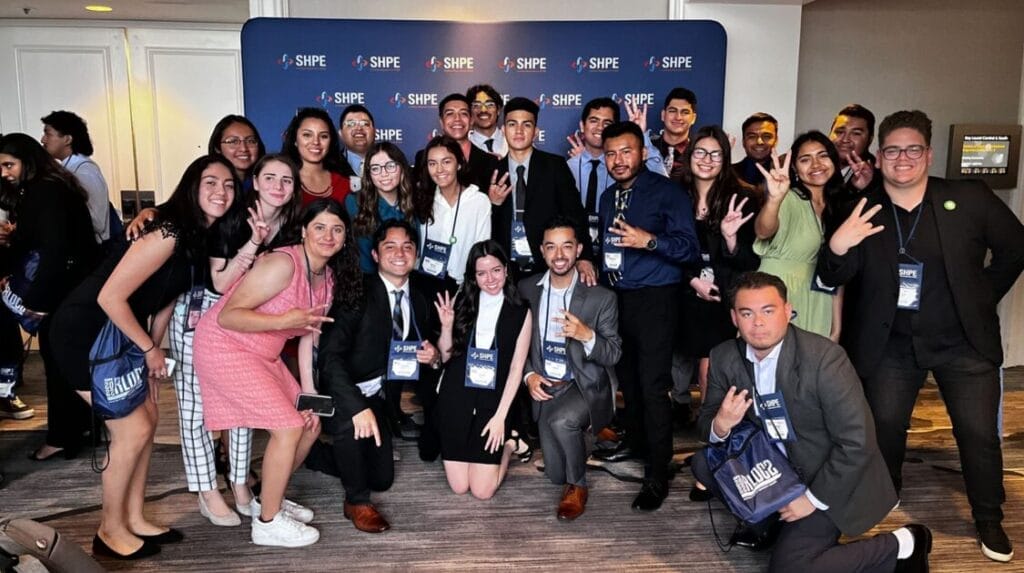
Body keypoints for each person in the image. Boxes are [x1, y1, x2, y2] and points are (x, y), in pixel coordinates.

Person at [818, 110, 1024, 563]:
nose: (903, 158)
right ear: (880, 155)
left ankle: (988, 516)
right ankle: (884, 497)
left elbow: (1016, 247)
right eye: (893, 150)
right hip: (891, 345)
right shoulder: (862, 207)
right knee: (886, 427)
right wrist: (838, 244)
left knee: (977, 433)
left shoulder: (968, 197)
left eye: (913, 149)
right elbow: (830, 276)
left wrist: (981, 296)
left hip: (963, 342)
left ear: (928, 154)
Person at [48, 154, 240, 559]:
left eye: (228, 185)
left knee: (148, 420)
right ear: (191, 186)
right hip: (85, 333)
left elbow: (166, 300)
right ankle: (108, 531)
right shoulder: (168, 231)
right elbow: (109, 297)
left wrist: (152, 356)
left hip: (122, 337)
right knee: (130, 431)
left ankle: (134, 518)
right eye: (210, 182)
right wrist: (150, 350)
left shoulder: (196, 237)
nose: (221, 192)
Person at [692, 271, 931, 573]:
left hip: (824, 475)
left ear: (788, 310)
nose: (758, 323)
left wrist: (812, 499)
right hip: (774, 468)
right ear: (734, 318)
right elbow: (705, 425)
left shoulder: (824, 359)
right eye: (747, 313)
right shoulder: (724, 356)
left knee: (791, 568)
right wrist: (721, 424)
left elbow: (858, 442)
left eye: (768, 310)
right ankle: (768, 523)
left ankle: (904, 543)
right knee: (704, 463)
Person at [194, 198, 353, 548]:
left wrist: (307, 394)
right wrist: (284, 321)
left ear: (345, 237)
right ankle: (266, 524)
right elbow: (228, 316)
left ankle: (270, 500)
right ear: (304, 231)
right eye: (320, 227)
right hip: (226, 347)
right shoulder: (284, 263)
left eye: (337, 229)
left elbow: (310, 332)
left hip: (264, 354)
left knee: (309, 424)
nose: (328, 236)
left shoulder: (325, 276)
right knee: (288, 427)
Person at [169, 153, 302, 528]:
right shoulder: (233, 219)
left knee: (241, 407)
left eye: (287, 180)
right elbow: (220, 283)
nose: (278, 186)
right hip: (202, 317)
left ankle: (240, 483)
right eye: (270, 177)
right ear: (255, 181)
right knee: (196, 411)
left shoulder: (291, 228)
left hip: (249, 323)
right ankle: (206, 491)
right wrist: (253, 244)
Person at [591, 122, 699, 510]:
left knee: (653, 386)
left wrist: (648, 240)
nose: (619, 160)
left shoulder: (666, 192)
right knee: (629, 382)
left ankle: (657, 471)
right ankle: (638, 446)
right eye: (611, 154)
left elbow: (689, 249)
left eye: (626, 152)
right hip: (617, 299)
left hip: (656, 298)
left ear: (641, 153)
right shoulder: (606, 198)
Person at [312, 219, 439, 532]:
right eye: (390, 246)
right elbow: (330, 359)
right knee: (352, 435)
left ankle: (314, 455)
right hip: (342, 393)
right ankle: (356, 501)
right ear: (376, 255)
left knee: (382, 478)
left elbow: (425, 351)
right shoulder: (357, 291)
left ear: (416, 254)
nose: (400, 253)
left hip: (380, 397)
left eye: (408, 246)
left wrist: (433, 356)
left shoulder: (420, 299)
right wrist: (355, 407)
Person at [518, 218, 621, 520]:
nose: (559, 255)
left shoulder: (602, 298)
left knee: (562, 424)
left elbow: (613, 353)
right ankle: (591, 432)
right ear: (541, 251)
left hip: (583, 383)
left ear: (578, 249)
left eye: (567, 246)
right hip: (546, 384)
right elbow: (514, 344)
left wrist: (586, 334)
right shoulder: (526, 289)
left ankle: (578, 486)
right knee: (553, 472)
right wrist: (528, 375)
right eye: (551, 247)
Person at [0, 134, 98, 449]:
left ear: (27, 161)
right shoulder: (54, 187)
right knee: (67, 361)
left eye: (8, 164)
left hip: (61, 289)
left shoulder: (44, 192)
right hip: (74, 285)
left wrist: (37, 304)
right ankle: (77, 430)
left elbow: (53, 251)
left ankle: (62, 437)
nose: (4, 172)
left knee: (58, 363)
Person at [433, 239, 532, 499]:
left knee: (482, 491)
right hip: (456, 396)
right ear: (473, 276)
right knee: (459, 486)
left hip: (493, 400)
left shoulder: (521, 311)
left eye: (496, 270)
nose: (490, 279)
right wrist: (446, 326)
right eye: (481, 273)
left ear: (506, 269)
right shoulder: (462, 301)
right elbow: (445, 357)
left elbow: (516, 368)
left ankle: (511, 442)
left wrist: (500, 417)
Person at [676, 125, 761, 411]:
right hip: (682, 292)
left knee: (712, 367)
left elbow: (750, 262)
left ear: (725, 159)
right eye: (700, 152)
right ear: (689, 155)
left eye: (716, 154)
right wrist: (692, 281)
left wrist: (730, 238)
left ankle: (713, 433)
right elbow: (665, 249)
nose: (707, 159)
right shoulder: (674, 193)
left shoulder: (743, 197)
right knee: (674, 366)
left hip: (722, 296)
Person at [487, 97, 594, 284]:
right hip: (505, 271)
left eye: (526, 125)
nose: (519, 131)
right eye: (512, 124)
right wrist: (493, 205)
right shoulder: (492, 171)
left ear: (535, 132)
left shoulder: (555, 166)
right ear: (503, 130)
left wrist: (584, 257)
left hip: (548, 266)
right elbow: (483, 226)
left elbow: (575, 213)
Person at [753, 131, 845, 340]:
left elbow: (838, 272)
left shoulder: (837, 207)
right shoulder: (789, 199)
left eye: (822, 155)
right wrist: (774, 199)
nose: (816, 164)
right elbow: (763, 230)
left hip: (819, 300)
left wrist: (836, 327)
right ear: (794, 167)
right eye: (805, 159)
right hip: (779, 294)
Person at [566, 98, 666, 248]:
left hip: (619, 245)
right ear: (582, 125)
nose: (600, 127)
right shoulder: (567, 166)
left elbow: (662, 181)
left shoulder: (625, 166)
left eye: (607, 123)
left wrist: (642, 135)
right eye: (594, 120)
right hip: (577, 248)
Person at [39, 111, 112, 243]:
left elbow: (97, 221)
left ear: (67, 139)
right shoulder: (70, 169)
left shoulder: (84, 171)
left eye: (48, 134)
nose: (43, 139)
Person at [346, 141, 417, 273]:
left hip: (408, 280)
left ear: (402, 168)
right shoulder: (355, 202)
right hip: (368, 281)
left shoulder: (414, 201)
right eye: (375, 168)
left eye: (390, 166)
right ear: (369, 174)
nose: (383, 173)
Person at [415, 93, 498, 194]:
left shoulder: (489, 162)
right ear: (441, 122)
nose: (457, 119)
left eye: (463, 113)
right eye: (450, 114)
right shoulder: (423, 157)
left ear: (471, 120)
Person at [283, 107, 352, 207]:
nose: (316, 142)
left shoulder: (345, 184)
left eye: (323, 136)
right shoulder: (282, 182)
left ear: (331, 142)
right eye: (307, 135)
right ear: (295, 140)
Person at [651, 87, 698, 182]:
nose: (678, 117)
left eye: (685, 112)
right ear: (663, 115)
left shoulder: (699, 154)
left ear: (693, 118)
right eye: (672, 111)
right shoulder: (648, 148)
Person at [828, 104, 877, 189]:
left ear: (870, 139)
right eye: (839, 132)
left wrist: (866, 189)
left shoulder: (878, 179)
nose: (845, 139)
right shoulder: (814, 167)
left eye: (856, 133)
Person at [732, 112, 778, 188]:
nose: (759, 142)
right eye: (752, 137)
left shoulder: (787, 174)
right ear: (744, 142)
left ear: (776, 141)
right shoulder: (729, 174)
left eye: (766, 136)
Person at [337, 104, 376, 188]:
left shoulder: (391, 163)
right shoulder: (329, 166)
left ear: (374, 131)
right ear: (340, 133)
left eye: (365, 124)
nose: (358, 128)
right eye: (351, 124)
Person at [466, 84, 506, 157]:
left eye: (490, 105)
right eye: (476, 105)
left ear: (498, 110)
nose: (483, 110)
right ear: (469, 111)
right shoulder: (463, 147)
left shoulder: (514, 141)